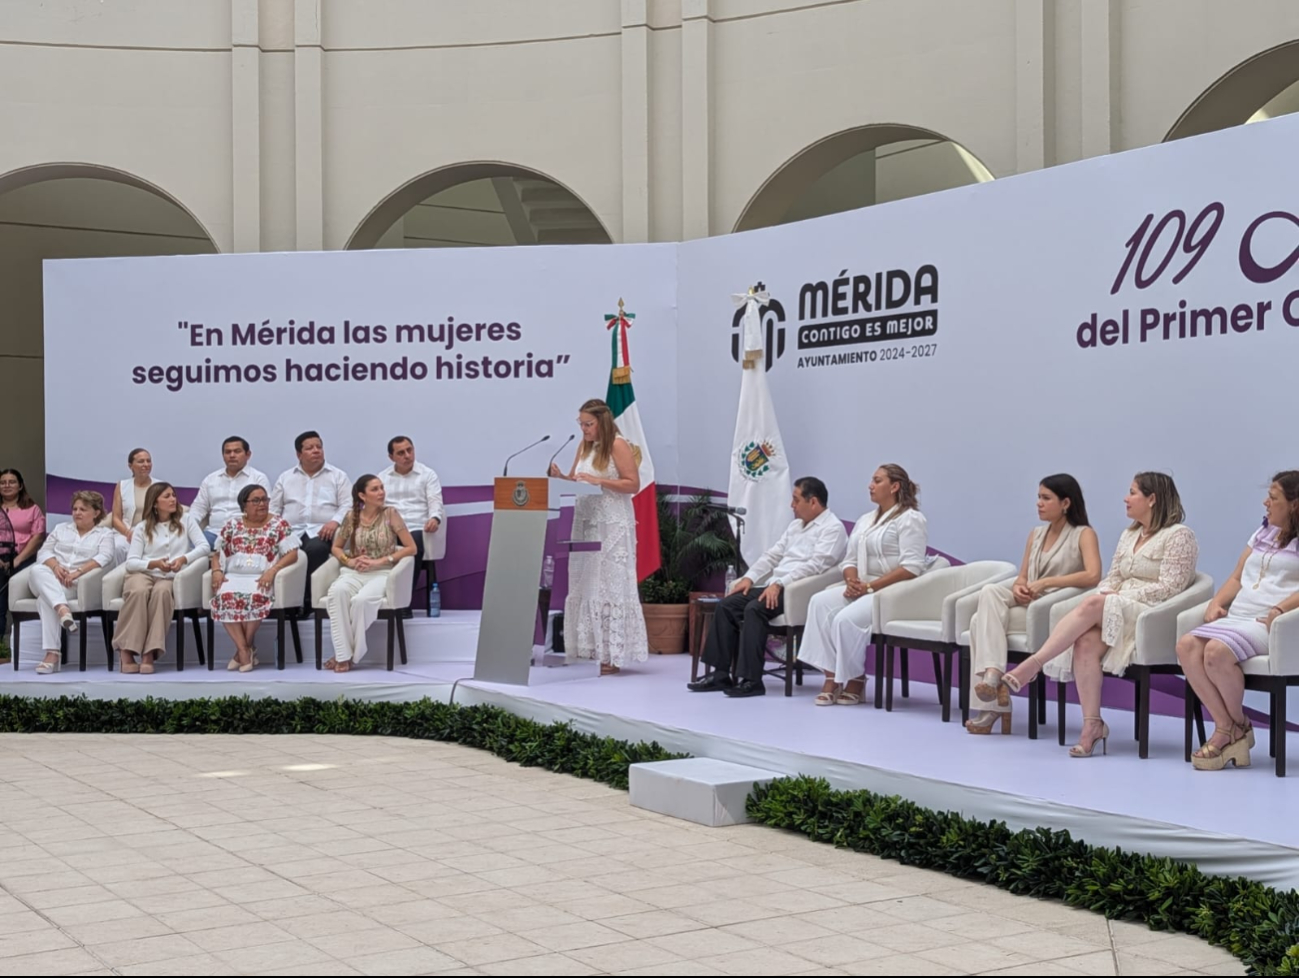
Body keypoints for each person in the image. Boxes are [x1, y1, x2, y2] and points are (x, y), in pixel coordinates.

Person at [1001, 472, 1198, 758]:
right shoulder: (1129, 534)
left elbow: (1170, 588)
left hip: (1152, 613)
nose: (1125, 498)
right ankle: (1092, 725)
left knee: (1095, 604)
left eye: (1132, 493)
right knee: (1085, 642)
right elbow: (1110, 578)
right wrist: (1108, 595)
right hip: (1119, 607)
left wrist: (1116, 599)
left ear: (1152, 498)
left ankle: (1034, 664)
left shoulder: (1180, 535)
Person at [1176, 471, 1299, 770]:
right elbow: (1237, 576)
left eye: (1273, 497)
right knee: (1187, 646)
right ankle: (1232, 726)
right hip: (1239, 615)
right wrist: (1217, 602)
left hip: (1268, 624)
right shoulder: (1262, 532)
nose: (1265, 502)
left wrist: (1280, 609)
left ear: (1294, 504)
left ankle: (1229, 732)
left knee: (1216, 652)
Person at [965, 474, 1103, 734]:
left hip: (1052, 611)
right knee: (990, 591)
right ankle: (994, 675)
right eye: (1038, 497)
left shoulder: (1084, 534)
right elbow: (1023, 575)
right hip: (1029, 603)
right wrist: (1019, 586)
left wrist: (1047, 582)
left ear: (1066, 503)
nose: (1039, 503)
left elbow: (1093, 575)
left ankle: (993, 705)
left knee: (976, 623)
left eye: (1046, 498)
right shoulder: (1036, 534)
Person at [687, 476, 848, 698]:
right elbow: (772, 555)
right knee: (727, 605)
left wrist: (780, 584)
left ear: (813, 502)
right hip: (775, 585)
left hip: (798, 591)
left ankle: (752, 680)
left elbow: (816, 566)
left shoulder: (833, 528)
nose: (791, 505)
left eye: (795, 499)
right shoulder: (795, 526)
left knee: (754, 608)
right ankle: (721, 673)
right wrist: (749, 578)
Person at [798, 464, 928, 707]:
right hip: (863, 586)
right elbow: (849, 560)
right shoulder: (865, 520)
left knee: (844, 619)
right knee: (819, 602)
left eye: (877, 481)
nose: (870, 485)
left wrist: (870, 587)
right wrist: (852, 582)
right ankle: (831, 678)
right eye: (872, 480)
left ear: (895, 486)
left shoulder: (911, 519)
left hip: (892, 591)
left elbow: (911, 567)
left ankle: (855, 679)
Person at [549, 399, 649, 675]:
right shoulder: (583, 446)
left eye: (588, 424)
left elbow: (633, 484)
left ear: (602, 422)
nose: (583, 429)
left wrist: (600, 481)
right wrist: (561, 478)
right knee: (587, 582)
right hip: (586, 520)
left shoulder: (617, 444)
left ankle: (612, 656)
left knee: (610, 584)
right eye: (580, 424)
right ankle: (589, 649)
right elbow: (578, 479)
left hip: (612, 524)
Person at [324, 475, 417, 672]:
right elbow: (336, 548)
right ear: (362, 496)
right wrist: (349, 561)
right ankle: (344, 655)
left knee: (361, 602)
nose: (381, 492)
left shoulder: (391, 514)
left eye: (382, 488)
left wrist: (381, 561)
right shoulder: (351, 517)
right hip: (354, 572)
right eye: (375, 489)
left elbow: (411, 548)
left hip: (383, 573)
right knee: (337, 592)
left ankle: (346, 656)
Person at [115, 483, 209, 674]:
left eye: (173, 495)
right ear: (155, 502)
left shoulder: (186, 520)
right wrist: (153, 564)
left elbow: (204, 547)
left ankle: (149, 653)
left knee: (162, 593)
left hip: (169, 576)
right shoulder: (142, 528)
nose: (173, 499)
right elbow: (131, 562)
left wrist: (184, 558)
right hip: (143, 573)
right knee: (138, 591)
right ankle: (126, 652)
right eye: (167, 496)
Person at [210, 484, 300, 672]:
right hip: (233, 575)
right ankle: (245, 649)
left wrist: (273, 570)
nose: (262, 504)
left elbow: (293, 554)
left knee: (255, 596)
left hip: (261, 576)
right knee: (224, 597)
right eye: (256, 500)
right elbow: (217, 553)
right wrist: (217, 571)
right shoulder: (232, 525)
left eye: (265, 499)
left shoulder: (279, 524)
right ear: (244, 505)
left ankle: (243, 651)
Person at [27, 491, 115, 674]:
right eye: (75, 509)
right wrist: (56, 566)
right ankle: (63, 609)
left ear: (96, 512)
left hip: (74, 585)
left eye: (83, 509)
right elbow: (43, 553)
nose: (77, 513)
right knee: (37, 569)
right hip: (49, 578)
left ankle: (52, 655)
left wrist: (78, 572)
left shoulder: (105, 534)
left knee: (44, 600)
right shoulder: (61, 528)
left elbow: (105, 557)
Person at [269, 430, 350, 610]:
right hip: (291, 532)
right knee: (282, 549)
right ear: (299, 454)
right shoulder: (286, 478)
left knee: (315, 549)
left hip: (322, 531)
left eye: (319, 447)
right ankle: (281, 601)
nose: (316, 451)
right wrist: (277, 530)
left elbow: (347, 505)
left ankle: (307, 601)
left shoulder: (337, 476)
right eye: (310, 448)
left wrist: (334, 522)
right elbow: (274, 509)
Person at [379, 435, 444, 605]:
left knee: (413, 542)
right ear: (391, 457)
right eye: (401, 453)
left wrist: (435, 518)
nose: (407, 455)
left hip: (417, 525)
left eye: (410, 450)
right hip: (389, 527)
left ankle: (402, 601)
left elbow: (435, 501)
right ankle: (379, 597)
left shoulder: (427, 474)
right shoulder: (382, 477)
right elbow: (377, 505)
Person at [189, 436, 270, 546]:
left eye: (237, 451)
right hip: (213, 533)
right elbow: (198, 508)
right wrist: (188, 528)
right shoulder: (211, 479)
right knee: (189, 549)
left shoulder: (258, 478)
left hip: (243, 533)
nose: (232, 455)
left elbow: (264, 509)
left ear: (248, 455)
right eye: (228, 452)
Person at [1, 468, 47, 642]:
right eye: (3, 482)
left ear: (20, 486)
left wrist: (17, 560)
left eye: (11, 482)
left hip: (23, 561)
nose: (7, 486)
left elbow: (38, 536)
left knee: (20, 604)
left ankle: (23, 646)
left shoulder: (32, 509)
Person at [109, 447, 156, 562]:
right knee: (118, 547)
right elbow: (115, 517)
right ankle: (118, 578)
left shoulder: (160, 486)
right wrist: (127, 533)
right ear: (130, 466)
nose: (146, 464)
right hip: (126, 532)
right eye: (141, 461)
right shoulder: (122, 485)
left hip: (151, 532)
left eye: (148, 461)